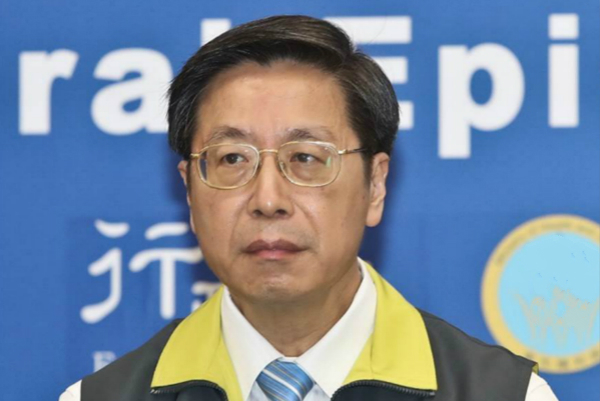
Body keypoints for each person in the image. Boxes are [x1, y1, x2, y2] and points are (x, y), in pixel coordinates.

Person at [60, 15, 559, 401]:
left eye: (305, 158)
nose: (268, 200)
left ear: (375, 185)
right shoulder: (101, 397)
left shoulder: (503, 393)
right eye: (232, 159)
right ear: (190, 191)